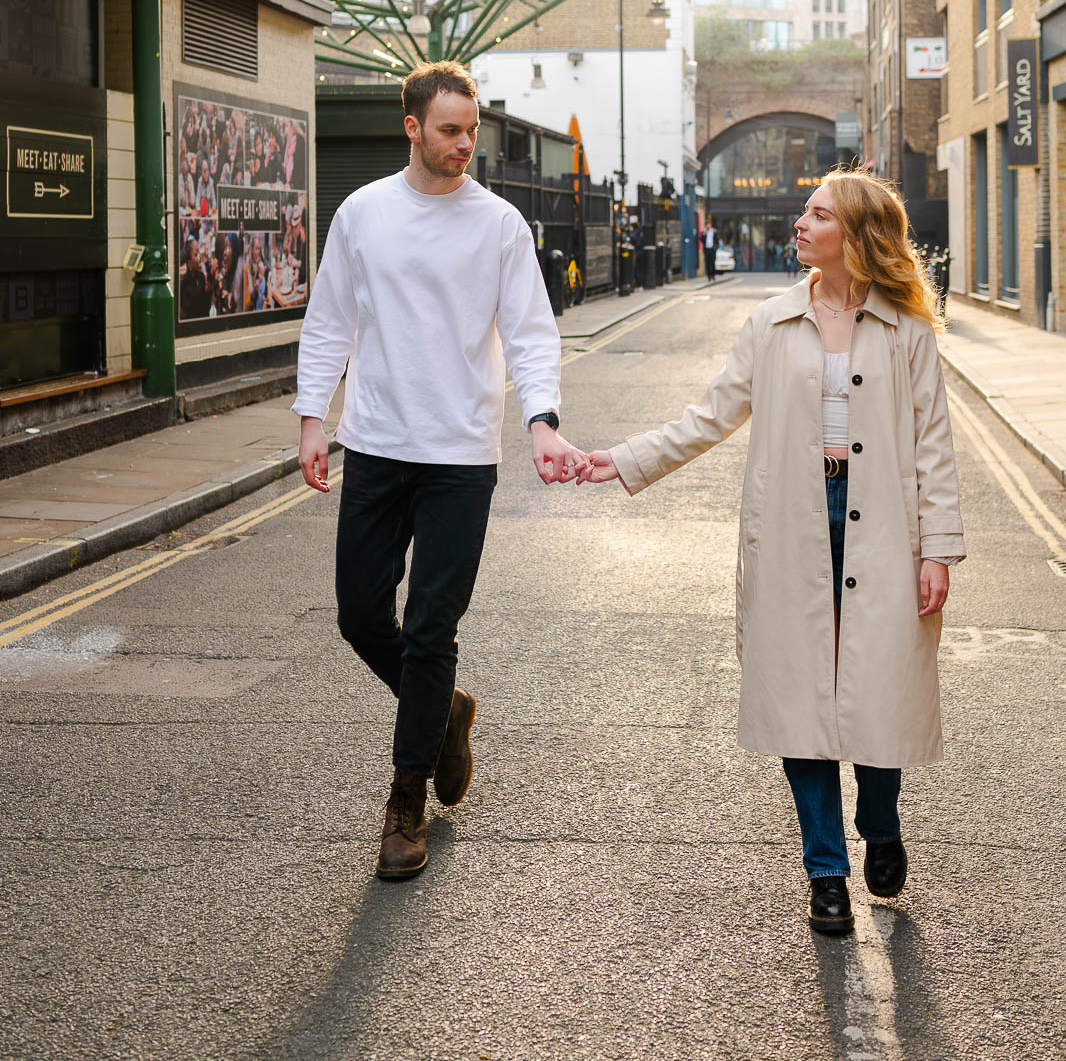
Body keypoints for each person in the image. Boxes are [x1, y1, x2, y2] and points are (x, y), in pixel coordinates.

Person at [580, 168, 963, 935]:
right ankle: (824, 871)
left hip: (884, 523)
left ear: (854, 236)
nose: (799, 223)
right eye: (803, 212)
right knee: (800, 702)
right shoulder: (769, 322)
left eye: (817, 215)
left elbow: (933, 445)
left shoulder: (906, 329)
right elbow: (710, 414)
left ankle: (879, 825)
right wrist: (620, 460)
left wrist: (938, 549)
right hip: (795, 520)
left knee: (876, 691)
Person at [294, 61, 590, 882]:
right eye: (451, 131)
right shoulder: (362, 214)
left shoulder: (497, 225)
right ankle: (446, 711)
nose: (466, 145)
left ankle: (403, 803)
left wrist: (540, 421)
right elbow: (329, 321)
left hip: (460, 454)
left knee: (431, 630)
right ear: (413, 128)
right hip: (379, 443)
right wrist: (314, 418)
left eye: (473, 130)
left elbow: (530, 333)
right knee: (360, 615)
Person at [701, 215, 719, 283]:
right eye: (707, 225)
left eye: (709, 224)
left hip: (712, 249)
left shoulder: (714, 231)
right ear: (706, 225)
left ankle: (713, 276)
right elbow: (702, 240)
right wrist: (704, 233)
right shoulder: (704, 232)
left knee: (713, 263)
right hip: (706, 249)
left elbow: (717, 241)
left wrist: (715, 248)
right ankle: (709, 277)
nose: (709, 226)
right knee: (707, 264)